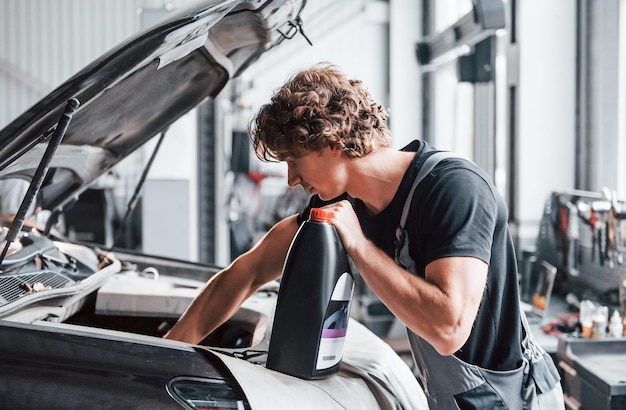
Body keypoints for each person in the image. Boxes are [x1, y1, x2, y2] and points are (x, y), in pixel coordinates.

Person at [164, 64, 564, 408]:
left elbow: (448, 328)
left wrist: (358, 245)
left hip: (511, 398)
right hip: (451, 395)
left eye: (294, 160)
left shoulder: (454, 188)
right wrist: (169, 352)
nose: (291, 179)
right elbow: (248, 271)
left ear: (331, 140)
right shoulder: (345, 201)